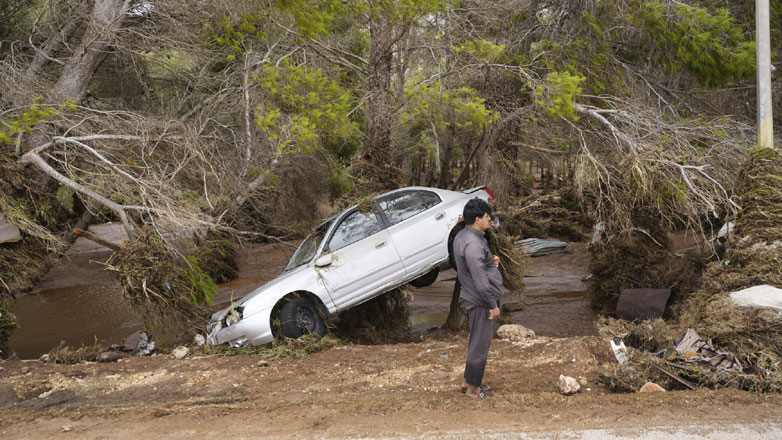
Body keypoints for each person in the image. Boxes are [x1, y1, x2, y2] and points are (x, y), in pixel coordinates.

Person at [452, 198, 503, 398]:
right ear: (477, 219)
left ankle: (468, 381)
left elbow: (473, 265)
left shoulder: (464, 237)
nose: (489, 219)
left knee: (476, 342)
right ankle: (473, 390)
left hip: (475, 297)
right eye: (486, 216)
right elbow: (481, 281)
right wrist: (493, 305)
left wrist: (491, 262)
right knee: (480, 346)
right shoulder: (473, 243)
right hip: (481, 301)